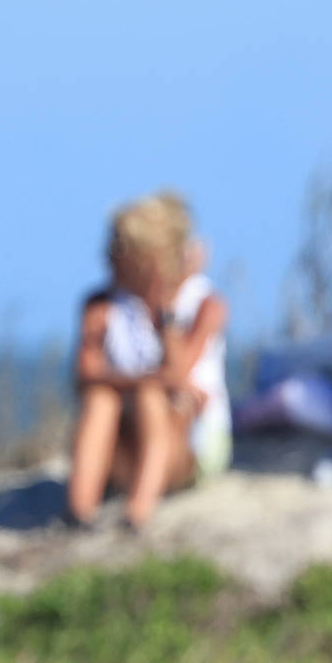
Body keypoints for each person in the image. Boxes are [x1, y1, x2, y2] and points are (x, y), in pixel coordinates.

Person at [67, 192, 230, 531]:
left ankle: (138, 514)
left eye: (119, 251)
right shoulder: (101, 305)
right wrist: (153, 380)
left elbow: (177, 371)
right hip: (127, 444)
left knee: (148, 399)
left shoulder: (203, 303)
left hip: (187, 445)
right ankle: (80, 511)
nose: (108, 259)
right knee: (102, 400)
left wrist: (164, 313)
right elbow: (84, 374)